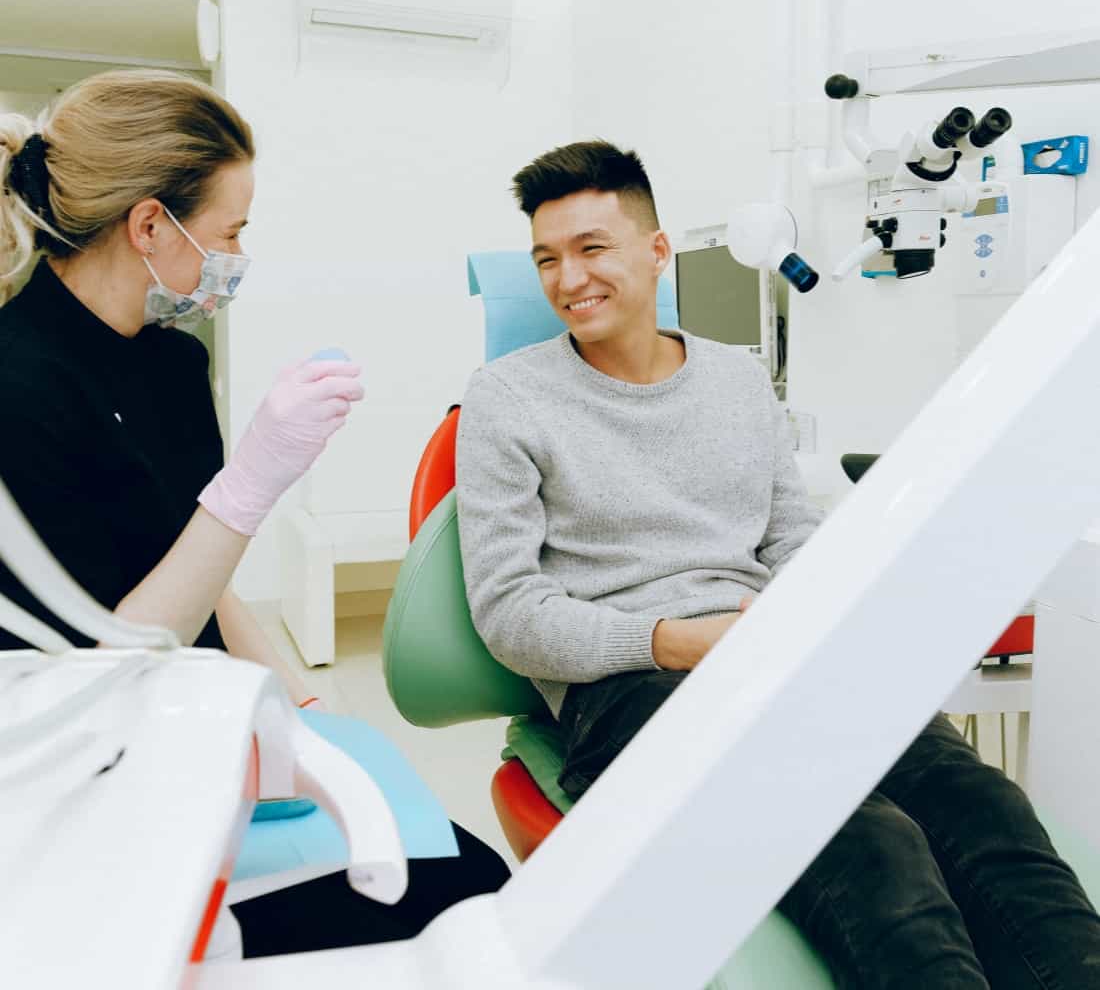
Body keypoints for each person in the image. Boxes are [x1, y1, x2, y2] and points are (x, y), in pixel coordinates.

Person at [455, 139, 1100, 988]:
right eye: (547, 259)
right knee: (873, 843)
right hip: (631, 688)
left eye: (591, 249)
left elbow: (790, 538)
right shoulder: (508, 398)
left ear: (657, 252)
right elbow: (509, 613)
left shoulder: (735, 379)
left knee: (982, 806)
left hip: (776, 655)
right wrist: (683, 642)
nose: (568, 279)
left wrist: (824, 619)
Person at [0, 69, 507, 957]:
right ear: (151, 225)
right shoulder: (18, 380)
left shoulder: (170, 364)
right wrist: (251, 486)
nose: (238, 253)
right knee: (442, 913)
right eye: (230, 230)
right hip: (91, 771)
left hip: (202, 720)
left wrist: (301, 701)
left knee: (475, 879)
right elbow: (89, 676)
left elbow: (202, 563)